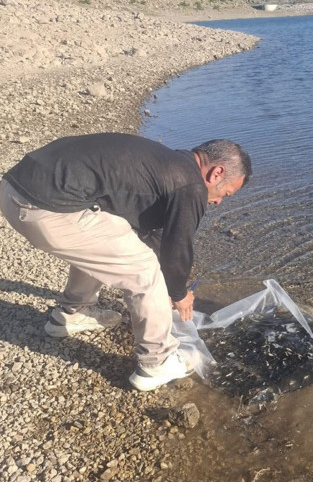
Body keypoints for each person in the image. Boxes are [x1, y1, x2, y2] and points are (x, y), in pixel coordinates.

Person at [0, 133, 251, 391]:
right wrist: (178, 294)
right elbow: (178, 249)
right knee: (144, 270)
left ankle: (74, 312)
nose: (218, 202)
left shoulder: (167, 164)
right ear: (217, 173)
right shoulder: (191, 186)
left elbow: (154, 234)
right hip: (40, 206)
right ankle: (156, 361)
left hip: (13, 187)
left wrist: (167, 287)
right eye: (225, 194)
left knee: (109, 236)